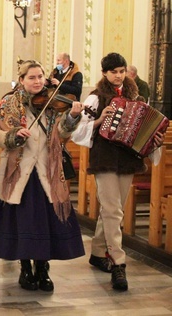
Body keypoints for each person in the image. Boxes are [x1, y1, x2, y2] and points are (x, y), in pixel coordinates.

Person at [0, 60, 85, 292]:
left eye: (40, 77)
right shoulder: (8, 103)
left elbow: (61, 135)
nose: (37, 81)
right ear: (22, 80)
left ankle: (43, 268)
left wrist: (71, 118)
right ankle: (25, 267)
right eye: (32, 78)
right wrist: (13, 136)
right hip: (19, 170)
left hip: (47, 169)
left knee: (45, 223)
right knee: (23, 222)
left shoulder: (52, 102)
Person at [71, 53, 164, 291]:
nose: (119, 75)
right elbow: (78, 131)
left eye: (122, 71)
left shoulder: (136, 97)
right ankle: (118, 263)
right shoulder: (95, 98)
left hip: (128, 160)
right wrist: (98, 121)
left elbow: (146, 127)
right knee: (113, 211)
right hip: (104, 160)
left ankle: (98, 252)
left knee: (114, 210)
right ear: (104, 73)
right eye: (114, 72)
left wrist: (155, 138)